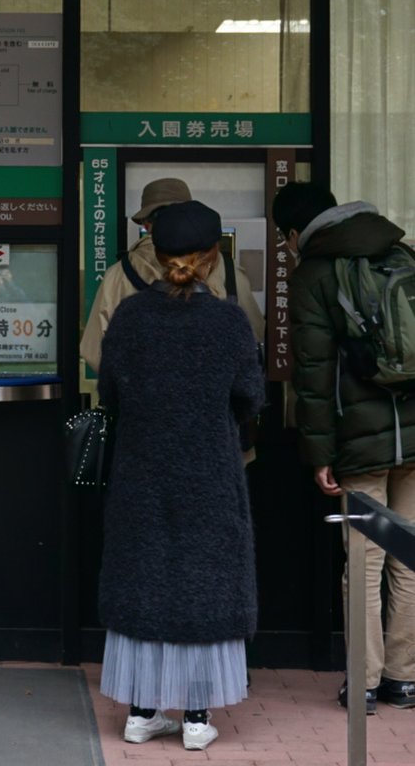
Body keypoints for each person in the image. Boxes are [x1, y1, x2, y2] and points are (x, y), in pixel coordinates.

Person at [97, 200, 264, 751]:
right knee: (202, 586)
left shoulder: (130, 318)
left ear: (155, 253)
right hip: (209, 472)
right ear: (214, 257)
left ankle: (141, 713)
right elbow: (250, 397)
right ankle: (196, 719)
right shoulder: (227, 321)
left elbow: (110, 393)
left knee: (146, 582)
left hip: (142, 469)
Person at [271, 181, 415, 713]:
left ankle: (365, 681)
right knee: (409, 559)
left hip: (358, 447)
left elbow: (312, 376)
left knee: (364, 562)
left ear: (293, 232)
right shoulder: (402, 253)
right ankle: (405, 678)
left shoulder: (313, 273)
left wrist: (320, 454)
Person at [80, 177, 265, 372]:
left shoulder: (118, 276)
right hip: (214, 399)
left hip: (142, 400)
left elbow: (94, 352)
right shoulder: (228, 270)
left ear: (146, 224)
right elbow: (254, 337)